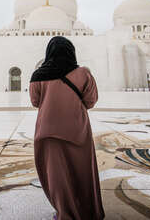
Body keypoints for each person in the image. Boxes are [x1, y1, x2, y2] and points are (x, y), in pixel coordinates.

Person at [30, 36, 105, 220]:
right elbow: (91, 100)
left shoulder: (38, 75)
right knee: (82, 170)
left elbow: (35, 101)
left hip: (47, 130)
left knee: (57, 176)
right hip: (77, 129)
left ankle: (65, 213)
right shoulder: (83, 73)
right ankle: (88, 212)